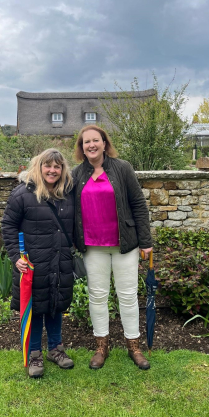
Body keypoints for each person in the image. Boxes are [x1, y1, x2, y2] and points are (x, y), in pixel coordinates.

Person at [73, 125, 153, 370]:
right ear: (82, 147)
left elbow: (138, 204)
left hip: (124, 245)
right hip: (93, 247)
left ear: (105, 143)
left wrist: (146, 241)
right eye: (86, 142)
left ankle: (134, 346)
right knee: (97, 297)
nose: (91, 145)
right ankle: (101, 346)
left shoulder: (122, 168)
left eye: (96, 140)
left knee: (127, 296)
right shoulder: (76, 174)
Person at [2, 148, 75, 379]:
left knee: (55, 306)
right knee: (35, 309)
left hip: (59, 261)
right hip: (33, 264)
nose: (52, 170)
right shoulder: (22, 194)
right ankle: (35, 353)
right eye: (48, 165)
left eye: (57, 166)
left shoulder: (68, 194)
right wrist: (16, 257)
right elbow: (8, 227)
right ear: (38, 166)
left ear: (62, 169)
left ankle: (56, 349)